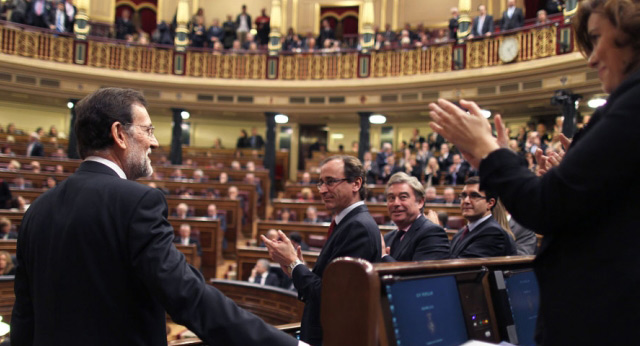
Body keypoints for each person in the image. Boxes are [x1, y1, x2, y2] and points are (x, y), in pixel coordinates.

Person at [11, 87, 300, 345]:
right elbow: (187, 295)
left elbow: (24, 317)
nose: (155, 143)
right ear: (119, 134)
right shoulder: (137, 201)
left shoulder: (38, 209)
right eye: (148, 130)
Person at [428, 1, 640, 341]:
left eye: (598, 37)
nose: (592, 57)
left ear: (633, 32)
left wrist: (488, 151)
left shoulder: (633, 104)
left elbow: (544, 207)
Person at [262, 155, 382, 345]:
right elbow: (329, 283)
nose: (323, 190)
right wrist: (296, 266)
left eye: (331, 182)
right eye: (321, 183)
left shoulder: (358, 227)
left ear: (356, 183)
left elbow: (332, 298)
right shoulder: (348, 223)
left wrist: (294, 264)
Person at [381, 172, 450, 262]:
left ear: (420, 202)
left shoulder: (432, 233)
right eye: (391, 198)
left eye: (403, 197)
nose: (396, 203)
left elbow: (420, 275)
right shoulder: (387, 238)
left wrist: (384, 257)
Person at [449, 177, 516, 258]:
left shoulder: (493, 233)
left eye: (474, 196)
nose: (466, 201)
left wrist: (436, 235)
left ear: (490, 203)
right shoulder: (460, 233)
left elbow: (461, 267)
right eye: (463, 195)